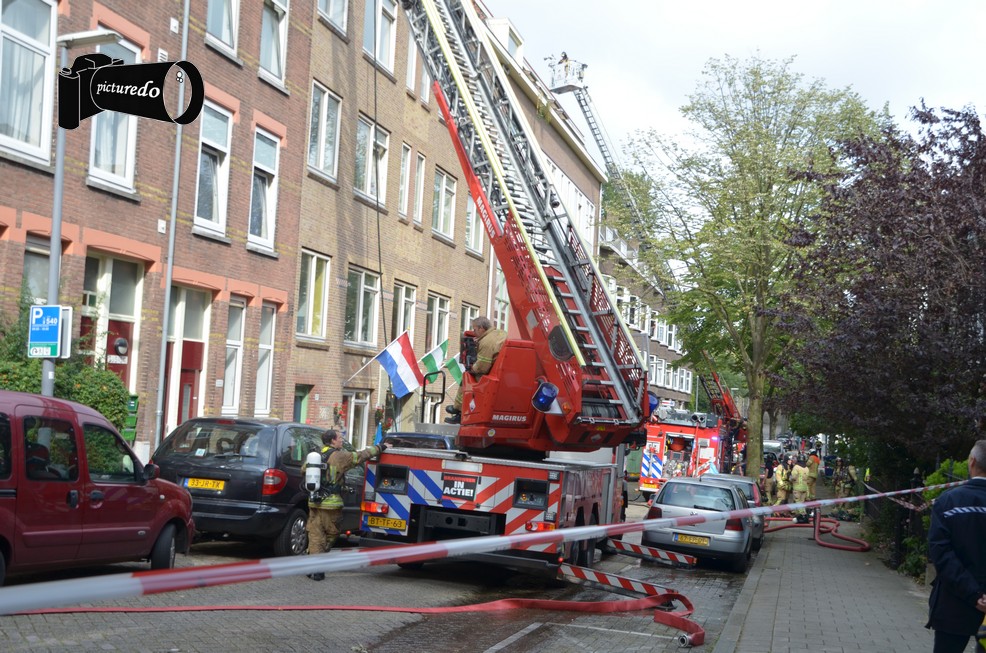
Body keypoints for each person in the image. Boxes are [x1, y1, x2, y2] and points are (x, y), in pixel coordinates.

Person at [926, 439, 986, 652]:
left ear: (972, 461)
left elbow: (941, 554)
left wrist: (973, 594)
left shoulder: (948, 501)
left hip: (954, 602)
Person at [303, 429, 385, 581]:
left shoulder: (315, 455)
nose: (341, 440)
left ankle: (312, 564)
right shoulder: (339, 456)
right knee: (331, 535)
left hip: (314, 502)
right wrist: (380, 448)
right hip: (331, 505)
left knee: (315, 535)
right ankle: (318, 567)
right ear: (333, 441)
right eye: (340, 438)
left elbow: (304, 471)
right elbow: (361, 456)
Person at [445, 316, 507, 424]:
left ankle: (459, 410)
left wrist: (471, 368)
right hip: (502, 371)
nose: (474, 332)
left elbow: (482, 367)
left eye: (474, 329)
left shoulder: (486, 341)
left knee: (467, 377)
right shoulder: (501, 333)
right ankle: (458, 409)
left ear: (481, 328)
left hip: (491, 375)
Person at [790, 454, 810, 522]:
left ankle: (803, 515)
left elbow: (793, 477)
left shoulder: (796, 467)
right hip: (804, 488)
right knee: (802, 502)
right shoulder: (806, 468)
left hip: (797, 488)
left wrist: (790, 479)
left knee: (798, 502)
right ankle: (799, 516)